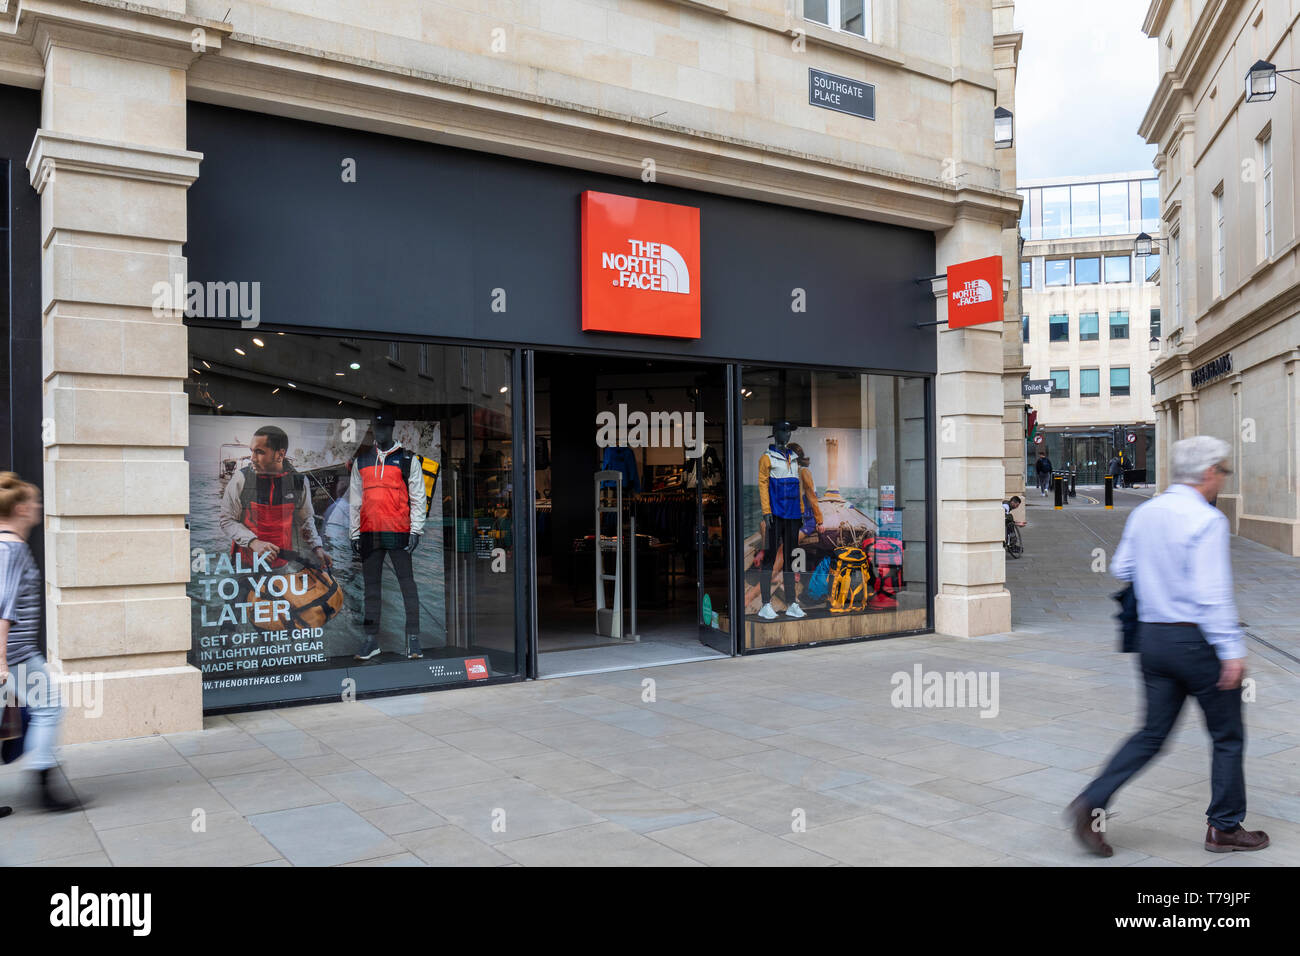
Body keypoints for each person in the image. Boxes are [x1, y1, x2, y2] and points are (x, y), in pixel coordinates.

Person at [1067, 436, 1267, 857]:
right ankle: (1225, 828)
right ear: (1209, 473)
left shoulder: (1147, 512)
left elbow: (1121, 566)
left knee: (1151, 733)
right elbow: (1214, 594)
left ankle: (1091, 802)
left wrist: (1159, 572)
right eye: (1223, 472)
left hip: (1153, 640)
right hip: (1195, 641)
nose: (1222, 480)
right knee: (1227, 735)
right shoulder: (1206, 520)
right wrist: (1232, 651)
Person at [0, 472, 77, 812]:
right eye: (34, 502)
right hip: (13, 652)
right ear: (20, 508)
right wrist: (1, 659)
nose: (38, 507)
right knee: (49, 707)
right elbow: (4, 606)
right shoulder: (12, 548)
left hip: (11, 652)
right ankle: (43, 787)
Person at [219, 425, 331, 572]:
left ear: (280, 455)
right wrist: (254, 542)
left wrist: (317, 547)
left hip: (281, 565)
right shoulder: (241, 479)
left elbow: (305, 521)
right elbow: (227, 520)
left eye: (259, 452)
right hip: (245, 565)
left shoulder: (298, 482)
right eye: (252, 451)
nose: (252, 458)